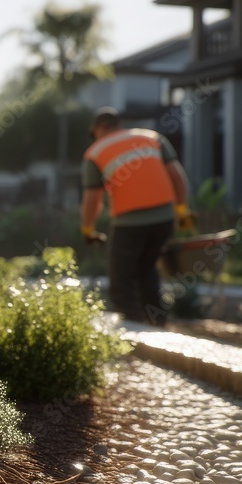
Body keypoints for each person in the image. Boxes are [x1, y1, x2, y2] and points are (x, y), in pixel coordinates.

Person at [81, 107, 193, 326]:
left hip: (128, 223)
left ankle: (133, 330)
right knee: (146, 269)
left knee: (121, 281)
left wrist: (88, 229)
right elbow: (177, 176)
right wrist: (182, 210)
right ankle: (157, 323)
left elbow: (92, 199)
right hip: (164, 220)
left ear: (99, 128)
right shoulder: (152, 137)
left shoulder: (94, 152)